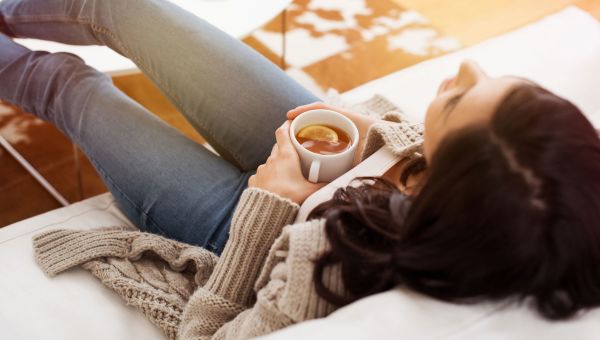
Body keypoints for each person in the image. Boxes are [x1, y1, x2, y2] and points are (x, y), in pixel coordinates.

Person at [1, 0, 600, 339]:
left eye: (455, 99)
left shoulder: (328, 275)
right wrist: (376, 138)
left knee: (68, 85)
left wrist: (268, 205)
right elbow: (429, 148)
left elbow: (211, 334)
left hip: (249, 229)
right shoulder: (535, 191)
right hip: (343, 161)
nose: (468, 67)